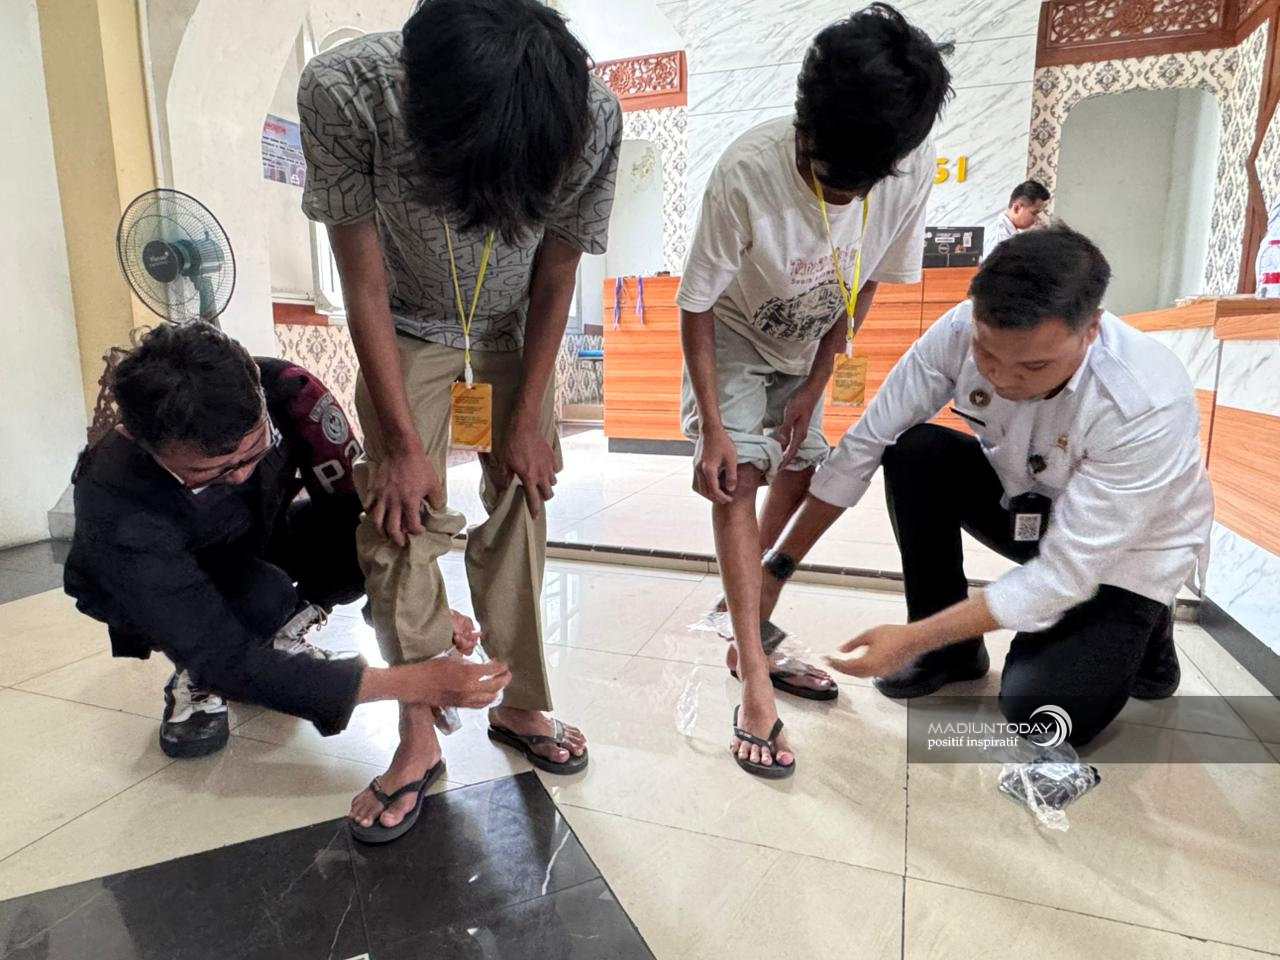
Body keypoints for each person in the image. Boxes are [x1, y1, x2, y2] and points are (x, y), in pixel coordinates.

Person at [298, 0, 622, 834]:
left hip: (514, 326)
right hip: (405, 320)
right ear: (416, 93)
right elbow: (362, 282)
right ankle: (418, 731)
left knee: (525, 494)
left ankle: (519, 702)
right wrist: (401, 447)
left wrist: (531, 419)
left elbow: (557, 273)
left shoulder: (589, 115)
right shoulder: (345, 92)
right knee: (399, 514)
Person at [755, 226, 1213, 747]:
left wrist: (910, 639)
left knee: (1042, 714)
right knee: (915, 452)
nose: (1002, 379)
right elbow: (865, 443)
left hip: (1124, 552)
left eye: (1033, 366)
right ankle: (951, 654)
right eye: (987, 355)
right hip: (1031, 508)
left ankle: (1147, 623)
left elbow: (1066, 573)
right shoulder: (959, 330)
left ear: (1091, 329)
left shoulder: (1143, 402)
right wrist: (776, 568)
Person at [64, 324, 509, 811]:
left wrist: (420, 615)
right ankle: (197, 676)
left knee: (359, 535)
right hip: (159, 588)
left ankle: (276, 644)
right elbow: (225, 658)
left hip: (256, 537)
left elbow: (359, 520)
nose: (239, 475)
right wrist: (417, 680)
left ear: (257, 386)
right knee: (256, 605)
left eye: (254, 451)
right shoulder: (114, 498)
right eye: (207, 474)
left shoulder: (292, 393)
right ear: (145, 444)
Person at [677, 3, 953, 777]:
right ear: (806, 127)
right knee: (738, 476)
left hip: (812, 339)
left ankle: (748, 622)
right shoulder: (746, 172)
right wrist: (714, 430)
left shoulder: (909, 165)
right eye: (829, 178)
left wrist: (819, 377)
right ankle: (755, 683)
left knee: (802, 468)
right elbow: (695, 306)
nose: (840, 198)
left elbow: (867, 281)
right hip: (733, 331)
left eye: (858, 185)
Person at [982, 180, 1050, 261]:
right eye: (1034, 213)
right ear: (1016, 208)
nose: (1036, 219)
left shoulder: (1011, 233)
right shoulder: (1000, 239)